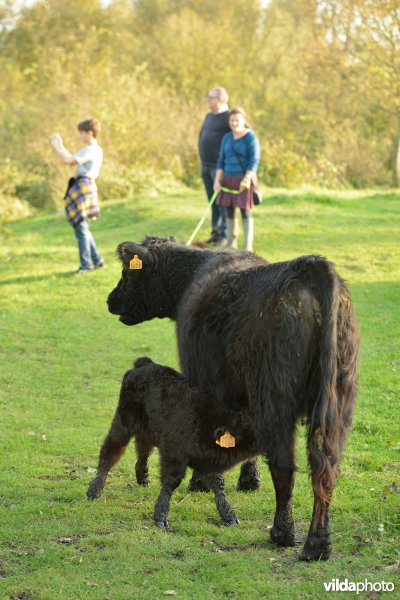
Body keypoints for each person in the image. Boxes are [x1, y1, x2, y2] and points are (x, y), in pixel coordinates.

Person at [49, 118, 104, 274]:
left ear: (89, 133)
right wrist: (60, 146)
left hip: (83, 186)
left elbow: (67, 160)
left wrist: (56, 146)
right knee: (82, 226)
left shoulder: (91, 149)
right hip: (86, 186)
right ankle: (97, 260)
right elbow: (71, 159)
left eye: (81, 133)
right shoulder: (94, 149)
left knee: (80, 226)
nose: (79, 136)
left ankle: (86, 265)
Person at [214, 108, 260, 252]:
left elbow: (254, 160)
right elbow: (221, 160)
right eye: (232, 120)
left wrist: (247, 178)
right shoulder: (226, 137)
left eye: (237, 120)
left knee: (245, 211)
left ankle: (247, 246)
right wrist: (217, 180)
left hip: (243, 179)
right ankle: (230, 245)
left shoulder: (250, 137)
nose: (234, 123)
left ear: (243, 120)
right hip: (227, 179)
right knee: (228, 211)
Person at [198, 86, 231, 246]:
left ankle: (224, 235)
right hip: (206, 165)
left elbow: (245, 134)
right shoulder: (209, 116)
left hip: (220, 168)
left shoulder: (230, 117)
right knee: (212, 202)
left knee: (222, 202)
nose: (208, 100)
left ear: (221, 99)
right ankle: (215, 232)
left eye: (210, 97)